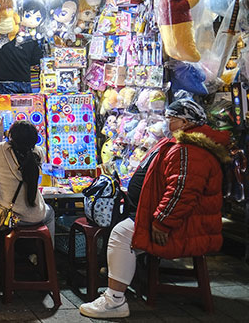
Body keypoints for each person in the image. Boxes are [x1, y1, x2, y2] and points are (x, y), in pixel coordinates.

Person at [79, 92, 231, 319]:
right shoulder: (184, 145)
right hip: (172, 218)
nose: (167, 122)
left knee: (121, 234)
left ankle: (115, 300)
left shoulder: (190, 150)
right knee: (120, 230)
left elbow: (182, 191)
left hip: (184, 226)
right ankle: (121, 280)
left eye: (171, 118)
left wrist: (162, 222)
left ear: (185, 122)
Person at [0, 120, 55, 240]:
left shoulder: (0, 150)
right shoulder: (38, 152)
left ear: (11, 135)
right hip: (35, 216)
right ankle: (47, 249)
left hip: (8, 216)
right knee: (50, 212)